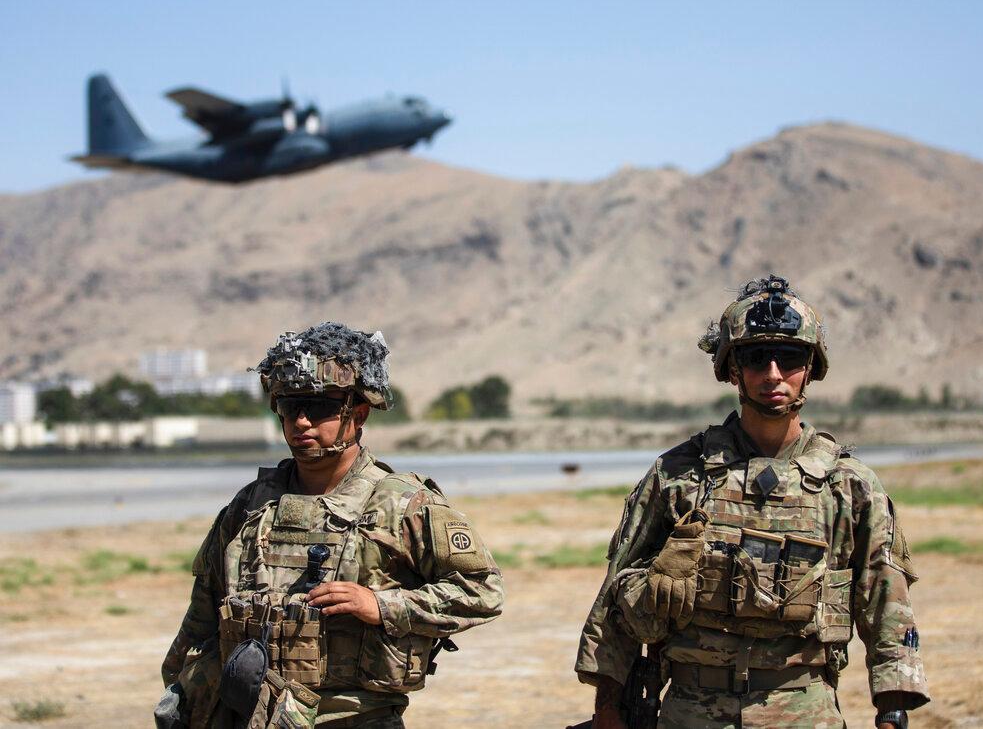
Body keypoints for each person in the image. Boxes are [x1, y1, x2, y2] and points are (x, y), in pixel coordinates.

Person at [574, 276, 928, 729]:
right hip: (690, 711)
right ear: (732, 369)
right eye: (757, 358)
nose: (774, 374)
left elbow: (886, 604)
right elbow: (614, 597)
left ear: (812, 368)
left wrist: (892, 709)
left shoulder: (849, 486)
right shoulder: (679, 475)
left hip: (805, 711)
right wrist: (608, 709)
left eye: (792, 358)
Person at [158, 322, 504, 728]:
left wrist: (382, 606)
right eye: (290, 408)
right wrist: (181, 693)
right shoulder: (249, 506)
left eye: (319, 408)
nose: (302, 422)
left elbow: (483, 591)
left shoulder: (402, 504)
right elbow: (202, 617)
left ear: (356, 414)